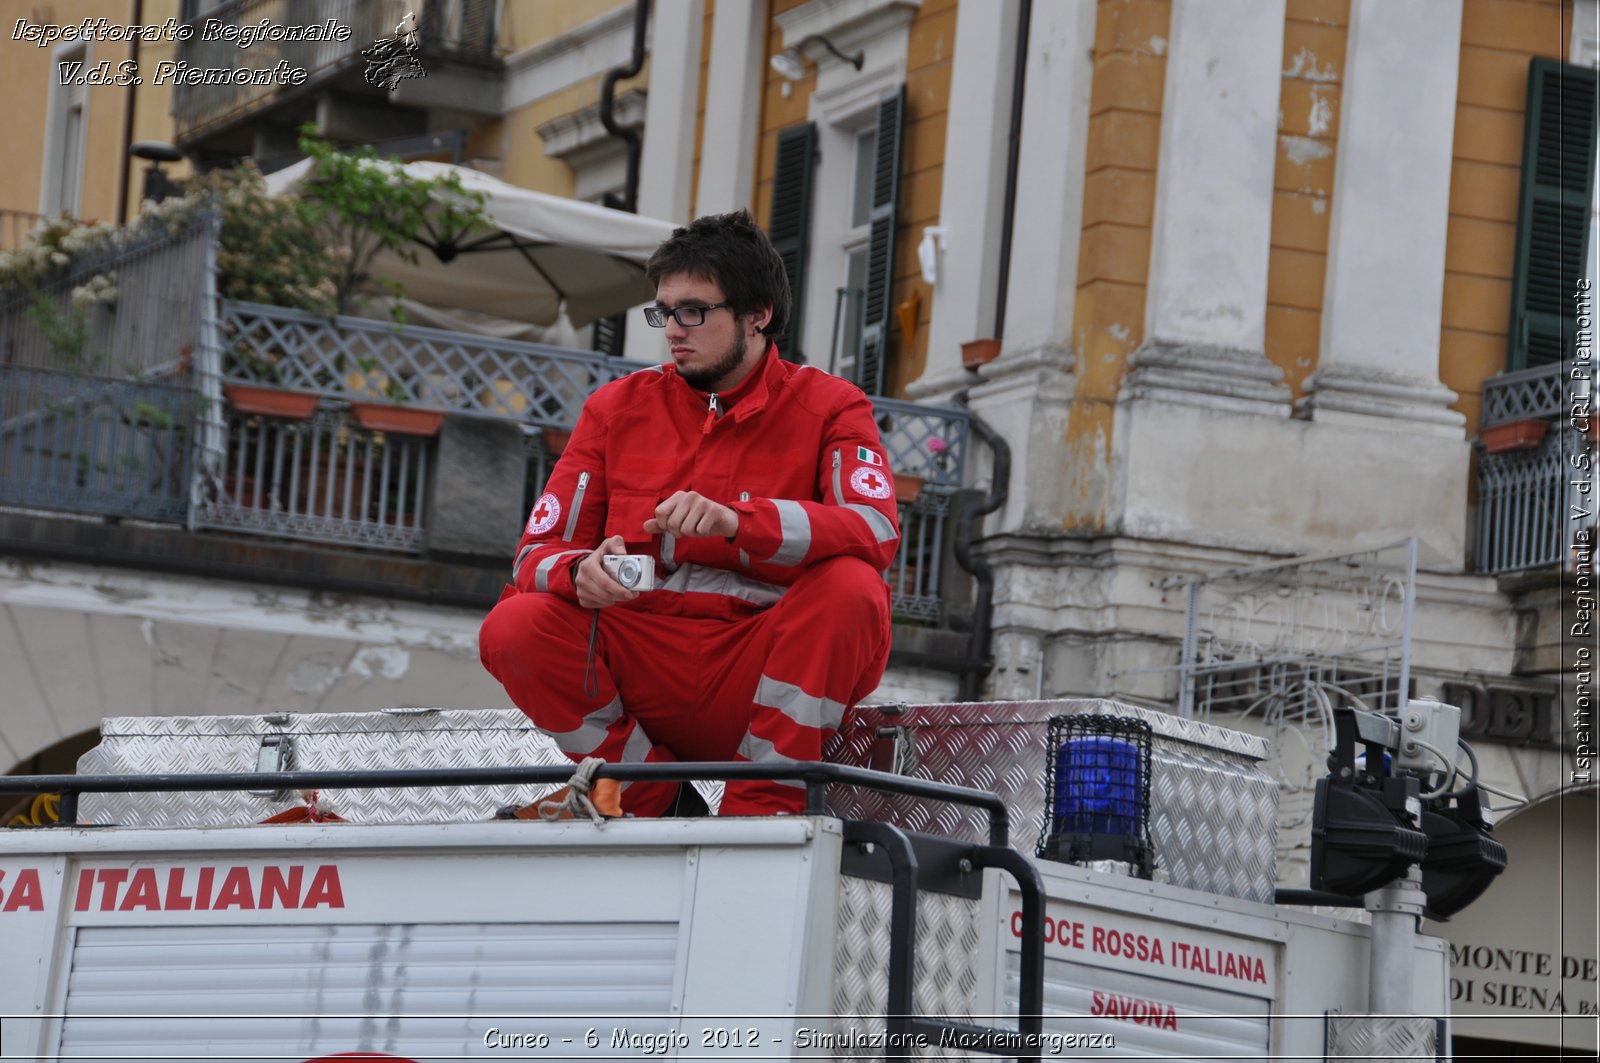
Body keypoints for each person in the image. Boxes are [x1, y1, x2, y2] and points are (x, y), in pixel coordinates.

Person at [478, 210, 900, 817]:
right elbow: (533, 556)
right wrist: (578, 573)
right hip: (644, 660)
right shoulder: (614, 408)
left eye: (694, 311)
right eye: (664, 311)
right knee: (513, 626)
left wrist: (741, 522)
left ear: (759, 315)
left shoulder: (833, 405)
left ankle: (763, 803)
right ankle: (645, 791)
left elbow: (875, 529)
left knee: (854, 587)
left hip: (757, 667)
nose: (673, 329)